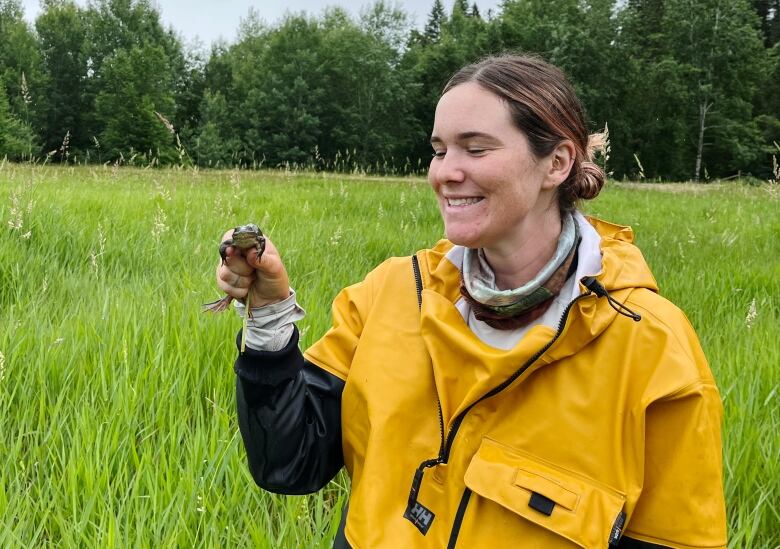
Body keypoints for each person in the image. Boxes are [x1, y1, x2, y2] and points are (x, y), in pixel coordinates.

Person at [215, 54, 727, 548]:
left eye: (476, 149)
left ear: (557, 162)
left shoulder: (650, 346)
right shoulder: (391, 293)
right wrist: (269, 318)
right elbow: (289, 462)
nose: (445, 173)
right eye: (439, 150)